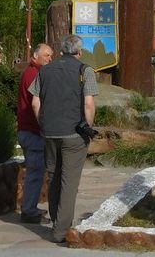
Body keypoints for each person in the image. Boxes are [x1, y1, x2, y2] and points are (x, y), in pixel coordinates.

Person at [29, 35, 98, 243]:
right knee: (69, 181)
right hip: (73, 134)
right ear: (80, 52)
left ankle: (56, 220)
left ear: (61, 51)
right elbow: (88, 104)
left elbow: (35, 103)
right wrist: (88, 127)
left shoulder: (45, 70)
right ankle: (60, 231)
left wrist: (42, 124)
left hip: (49, 132)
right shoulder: (84, 70)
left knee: (53, 177)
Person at [17, 42, 53, 224]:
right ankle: (29, 211)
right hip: (32, 132)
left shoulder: (34, 73)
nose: (50, 59)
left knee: (36, 173)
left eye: (51, 55)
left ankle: (30, 208)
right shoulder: (33, 75)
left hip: (29, 131)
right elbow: (36, 103)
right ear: (35, 57)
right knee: (35, 173)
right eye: (47, 55)